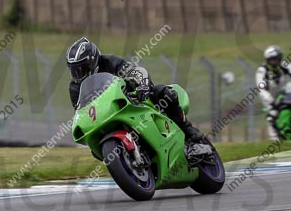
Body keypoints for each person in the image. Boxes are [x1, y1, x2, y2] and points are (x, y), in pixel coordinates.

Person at [66, 37, 204, 143]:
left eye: (81, 68)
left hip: (132, 99)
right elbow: (80, 112)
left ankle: (188, 129)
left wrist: (142, 86)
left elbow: (135, 72)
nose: (77, 73)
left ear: (92, 62)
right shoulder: (75, 88)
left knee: (162, 92)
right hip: (105, 116)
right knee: (93, 147)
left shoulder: (110, 62)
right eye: (73, 70)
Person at [256, 45, 291, 140]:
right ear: (267, 60)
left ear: (280, 58)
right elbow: (261, 88)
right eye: (272, 59)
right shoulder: (262, 70)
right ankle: (275, 139)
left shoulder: (284, 65)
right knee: (272, 117)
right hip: (270, 98)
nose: (274, 61)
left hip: (286, 94)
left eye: (276, 59)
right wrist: (271, 101)